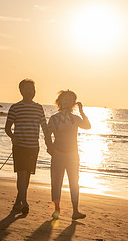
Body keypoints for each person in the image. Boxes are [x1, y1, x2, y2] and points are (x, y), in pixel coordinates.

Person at [5, 79, 49, 214]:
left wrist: (50, 144)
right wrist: (13, 137)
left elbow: (44, 127)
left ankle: (18, 202)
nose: (30, 91)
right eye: (27, 89)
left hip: (33, 147)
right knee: (21, 175)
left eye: (32, 89)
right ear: (21, 91)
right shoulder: (15, 107)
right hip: (20, 147)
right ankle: (25, 202)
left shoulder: (39, 108)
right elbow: (7, 128)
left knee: (27, 176)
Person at [47, 90, 91, 220]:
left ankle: (75, 211)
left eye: (70, 100)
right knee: (56, 181)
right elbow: (47, 134)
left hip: (73, 154)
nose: (67, 101)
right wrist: (49, 147)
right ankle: (56, 209)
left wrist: (82, 112)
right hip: (58, 154)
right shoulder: (54, 118)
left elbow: (88, 126)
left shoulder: (75, 118)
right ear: (59, 102)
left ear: (73, 103)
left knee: (74, 181)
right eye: (65, 99)